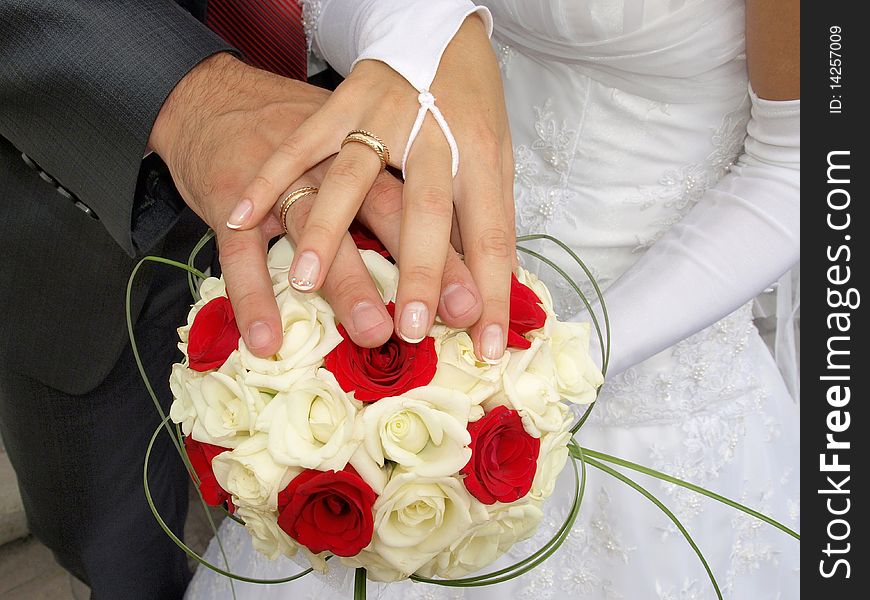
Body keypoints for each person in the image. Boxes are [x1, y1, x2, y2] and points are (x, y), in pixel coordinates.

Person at [187, 0, 801, 598]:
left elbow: (801, 165)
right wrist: (424, 36)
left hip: (658, 353)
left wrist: (561, 361)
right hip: (420, 285)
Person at [0, 1, 514, 597]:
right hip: (66, 205)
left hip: (364, 157)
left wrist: (428, 31)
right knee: (106, 541)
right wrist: (186, 95)